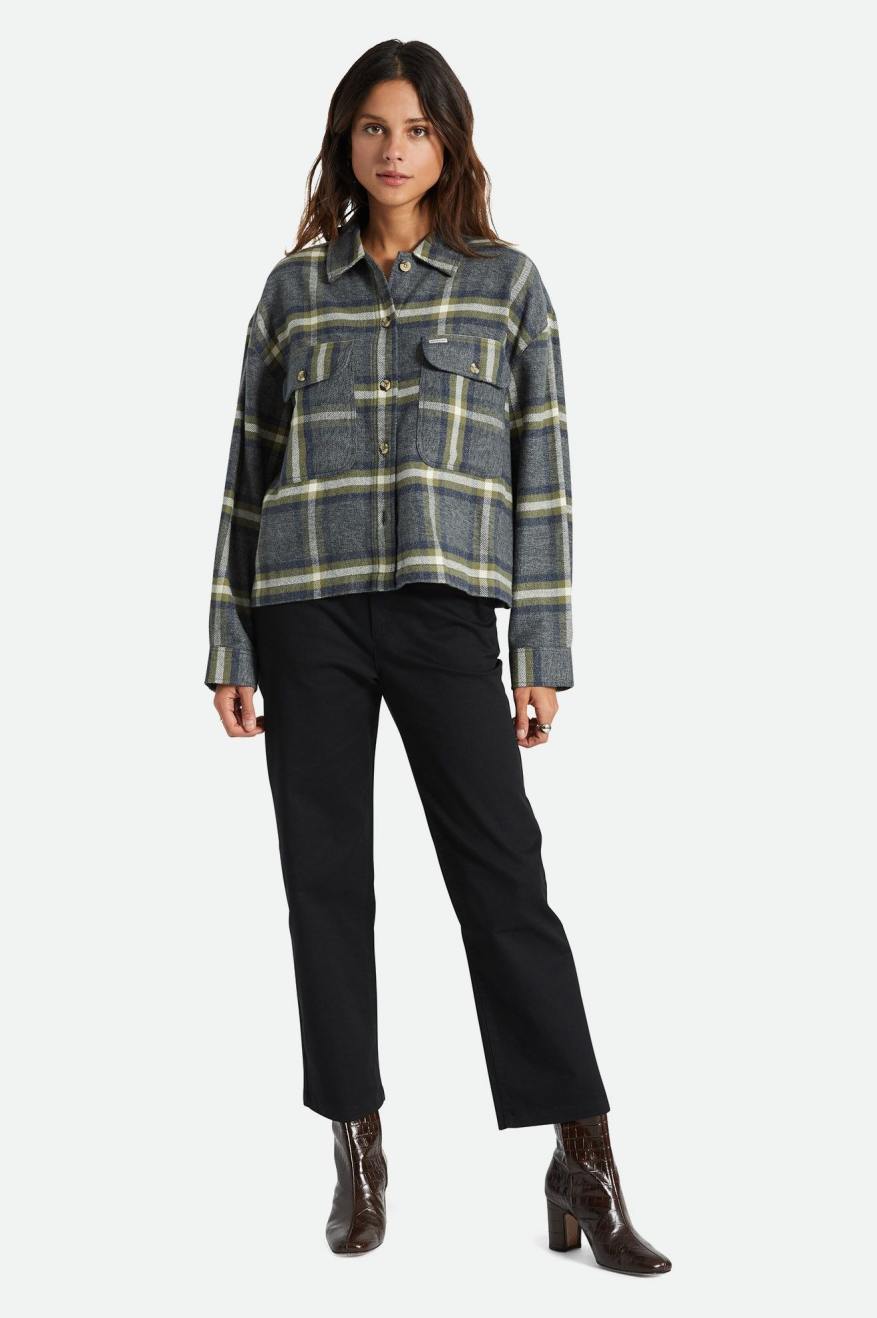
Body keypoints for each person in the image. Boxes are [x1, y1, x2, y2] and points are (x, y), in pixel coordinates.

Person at [204, 38, 671, 1273]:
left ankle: (583, 1158)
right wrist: (229, 637)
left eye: (415, 128)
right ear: (345, 142)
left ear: (449, 142)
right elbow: (247, 472)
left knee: (503, 881)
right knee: (325, 885)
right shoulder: (294, 290)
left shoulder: (505, 285)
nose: (393, 149)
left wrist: (540, 648)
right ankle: (357, 1151)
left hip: (443, 609)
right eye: (372, 127)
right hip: (304, 606)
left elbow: (542, 474)